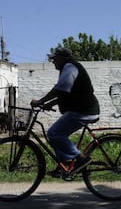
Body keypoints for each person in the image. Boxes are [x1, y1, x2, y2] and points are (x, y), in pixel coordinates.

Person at [30, 47, 100, 176]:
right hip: (81, 109)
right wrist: (48, 104)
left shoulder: (70, 67)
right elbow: (66, 93)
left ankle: (81, 158)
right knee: (56, 136)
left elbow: (61, 89)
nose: (53, 61)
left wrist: (41, 101)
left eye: (55, 58)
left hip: (84, 110)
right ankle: (65, 164)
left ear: (64, 58)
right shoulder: (67, 68)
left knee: (54, 134)